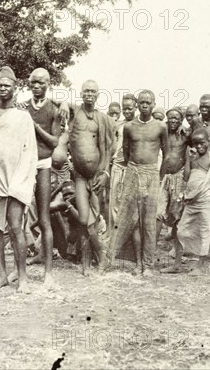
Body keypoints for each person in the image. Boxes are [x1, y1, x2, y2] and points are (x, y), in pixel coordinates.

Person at [0, 67, 38, 293]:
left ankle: (23, 278)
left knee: (15, 227)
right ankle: (2, 275)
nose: (2, 88)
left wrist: (21, 179)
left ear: (15, 88)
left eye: (7, 85)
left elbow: (29, 151)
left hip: (16, 178)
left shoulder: (23, 116)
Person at [107, 89, 168, 275]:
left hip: (151, 172)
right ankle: (135, 262)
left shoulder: (160, 127)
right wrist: (132, 171)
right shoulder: (130, 126)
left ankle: (148, 265)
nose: (145, 105)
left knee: (148, 222)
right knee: (130, 218)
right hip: (132, 170)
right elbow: (125, 152)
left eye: (148, 103)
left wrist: (158, 176)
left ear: (153, 103)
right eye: (141, 102)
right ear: (137, 104)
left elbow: (166, 154)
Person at [161, 129, 210, 275]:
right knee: (180, 230)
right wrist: (188, 159)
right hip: (190, 200)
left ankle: (202, 265)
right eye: (196, 144)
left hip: (204, 200)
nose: (199, 147)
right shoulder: (192, 157)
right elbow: (187, 178)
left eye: (202, 143)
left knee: (204, 231)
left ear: (209, 141)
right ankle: (177, 264)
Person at [67, 80, 114, 275]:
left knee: (94, 222)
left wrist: (104, 173)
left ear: (97, 95)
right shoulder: (74, 112)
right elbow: (54, 101)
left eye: (93, 91)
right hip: (79, 176)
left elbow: (106, 149)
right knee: (84, 219)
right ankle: (87, 264)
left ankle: (101, 259)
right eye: (86, 90)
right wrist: (62, 104)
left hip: (96, 175)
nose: (89, 94)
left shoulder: (101, 119)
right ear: (81, 93)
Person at [22, 68, 61, 288]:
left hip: (43, 163)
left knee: (44, 218)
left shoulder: (54, 109)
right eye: (33, 83)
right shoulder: (22, 107)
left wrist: (34, 127)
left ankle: (48, 274)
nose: (36, 86)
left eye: (41, 83)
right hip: (24, 164)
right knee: (19, 218)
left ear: (48, 84)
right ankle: (21, 272)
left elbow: (54, 142)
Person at [156, 108, 188, 243]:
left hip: (178, 176)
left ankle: (176, 246)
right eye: (171, 117)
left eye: (177, 118)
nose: (173, 120)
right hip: (163, 177)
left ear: (181, 120)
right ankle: (152, 244)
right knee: (158, 212)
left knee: (176, 213)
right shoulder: (162, 132)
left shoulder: (185, 135)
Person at [108, 94, 136, 239]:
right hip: (118, 166)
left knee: (130, 204)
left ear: (135, 108)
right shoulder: (118, 124)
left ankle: (127, 240)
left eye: (130, 108)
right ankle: (114, 238)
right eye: (124, 108)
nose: (127, 111)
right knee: (114, 203)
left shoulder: (140, 124)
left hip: (134, 167)